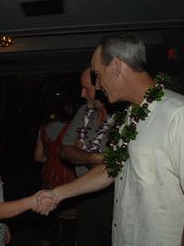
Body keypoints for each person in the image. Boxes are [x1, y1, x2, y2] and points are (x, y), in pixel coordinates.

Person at [37, 34, 184, 246]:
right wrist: (57, 194)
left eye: (97, 75)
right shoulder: (129, 118)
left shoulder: (179, 114)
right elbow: (111, 168)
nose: (97, 85)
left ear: (116, 66)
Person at [60, 67, 113, 245]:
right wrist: (96, 158)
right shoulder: (84, 111)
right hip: (83, 196)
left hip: (112, 199)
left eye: (86, 89)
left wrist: (80, 154)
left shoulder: (125, 115)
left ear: (100, 87)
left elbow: (114, 167)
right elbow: (64, 150)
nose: (82, 94)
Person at [34, 91, 77, 246]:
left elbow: (38, 157)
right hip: (67, 175)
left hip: (48, 175)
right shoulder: (71, 128)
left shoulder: (43, 128)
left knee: (50, 218)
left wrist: (51, 158)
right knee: (69, 224)